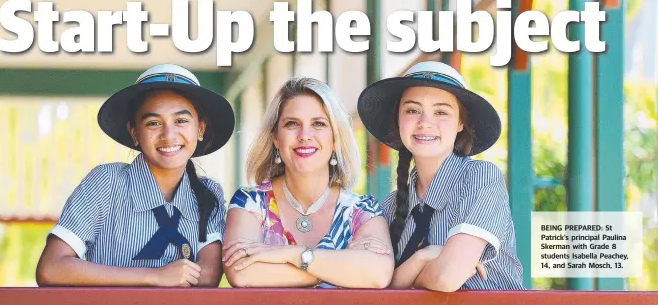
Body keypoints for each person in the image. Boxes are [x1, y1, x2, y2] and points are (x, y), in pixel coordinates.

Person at [36, 64, 235, 287]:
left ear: (200, 129)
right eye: (153, 123)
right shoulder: (106, 183)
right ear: (134, 133)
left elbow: (208, 275)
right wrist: (155, 277)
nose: (168, 135)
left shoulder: (208, 193)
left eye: (181, 121)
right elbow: (51, 268)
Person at [356, 61, 525, 291]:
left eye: (441, 112)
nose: (425, 123)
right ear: (398, 119)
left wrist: (408, 277)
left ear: (460, 123)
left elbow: (447, 276)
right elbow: (378, 288)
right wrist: (424, 257)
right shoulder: (389, 208)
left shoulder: (481, 179)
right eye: (413, 110)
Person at [222, 77, 394, 288]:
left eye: (318, 124)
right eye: (292, 124)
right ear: (276, 137)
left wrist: (293, 255)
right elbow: (243, 273)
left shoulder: (362, 210)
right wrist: (341, 269)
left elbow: (378, 274)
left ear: (336, 139)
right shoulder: (250, 202)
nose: (305, 135)